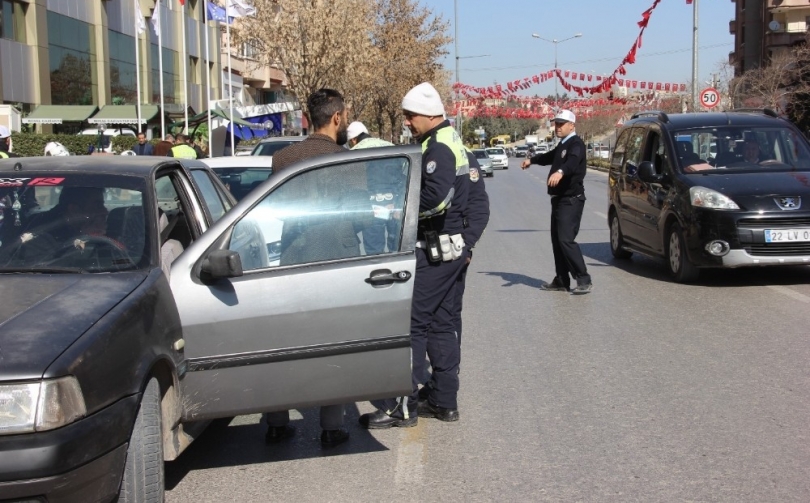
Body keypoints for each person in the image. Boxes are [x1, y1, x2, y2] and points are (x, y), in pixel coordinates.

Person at [359, 82, 469, 428]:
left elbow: (435, 198)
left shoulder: (438, 147)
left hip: (434, 251)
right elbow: (476, 200)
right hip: (450, 251)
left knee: (411, 326)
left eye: (410, 116)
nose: (406, 122)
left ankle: (401, 407)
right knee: (441, 324)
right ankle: (443, 401)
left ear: (428, 114)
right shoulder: (450, 141)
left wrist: (400, 213)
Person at [264, 88, 352, 449]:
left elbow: (274, 208)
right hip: (338, 263)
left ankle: (276, 422)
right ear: (336, 118)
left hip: (293, 260)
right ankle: (331, 426)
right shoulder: (348, 159)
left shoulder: (283, 158)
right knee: (333, 344)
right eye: (344, 116)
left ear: (306, 119)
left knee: (286, 344)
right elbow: (359, 217)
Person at [419, 147, 489, 402]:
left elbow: (479, 206)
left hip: (451, 253)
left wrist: (467, 245)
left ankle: (445, 383)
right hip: (421, 250)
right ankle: (442, 387)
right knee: (431, 322)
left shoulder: (462, 156)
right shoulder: (421, 152)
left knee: (447, 319)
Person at [521, 109, 592, 295]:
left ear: (572, 125)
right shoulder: (563, 144)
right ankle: (561, 280)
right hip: (559, 200)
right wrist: (532, 160)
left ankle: (583, 278)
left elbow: (573, 162)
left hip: (571, 200)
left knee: (565, 240)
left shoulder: (576, 144)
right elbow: (549, 157)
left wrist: (560, 172)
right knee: (557, 241)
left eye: (561, 124)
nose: (557, 127)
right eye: (556, 123)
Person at [346, 121, 400, 254]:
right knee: (398, 249)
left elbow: (354, 185)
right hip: (394, 205)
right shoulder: (390, 146)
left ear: (353, 140)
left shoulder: (355, 153)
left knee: (374, 253)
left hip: (372, 208)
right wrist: (397, 203)